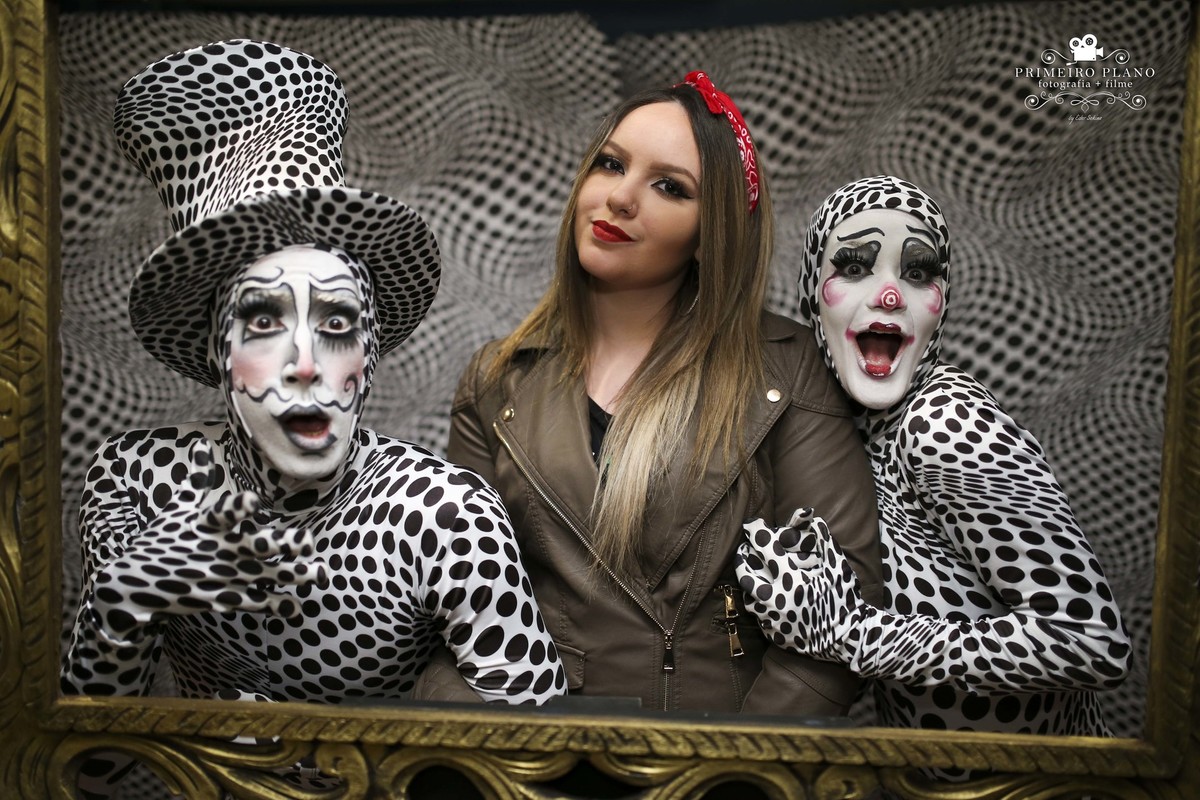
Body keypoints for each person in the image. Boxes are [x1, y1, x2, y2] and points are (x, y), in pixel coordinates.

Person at [61, 39, 565, 715]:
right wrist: (123, 601)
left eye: (336, 322)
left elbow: (538, 750)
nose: (304, 364)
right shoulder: (139, 482)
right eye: (263, 321)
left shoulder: (443, 517)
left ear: (370, 349)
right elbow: (87, 757)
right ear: (216, 350)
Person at [444, 72, 885, 715]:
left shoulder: (787, 369)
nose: (620, 197)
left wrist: (739, 760)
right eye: (611, 164)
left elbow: (844, 608)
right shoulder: (496, 379)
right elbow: (463, 606)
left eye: (669, 186)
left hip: (724, 751)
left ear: (710, 235)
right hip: (542, 750)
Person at [736, 175, 1131, 743]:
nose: (890, 295)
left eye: (918, 273)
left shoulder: (943, 422)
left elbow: (1090, 640)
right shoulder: (843, 427)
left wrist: (853, 635)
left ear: (941, 306)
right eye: (855, 266)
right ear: (810, 295)